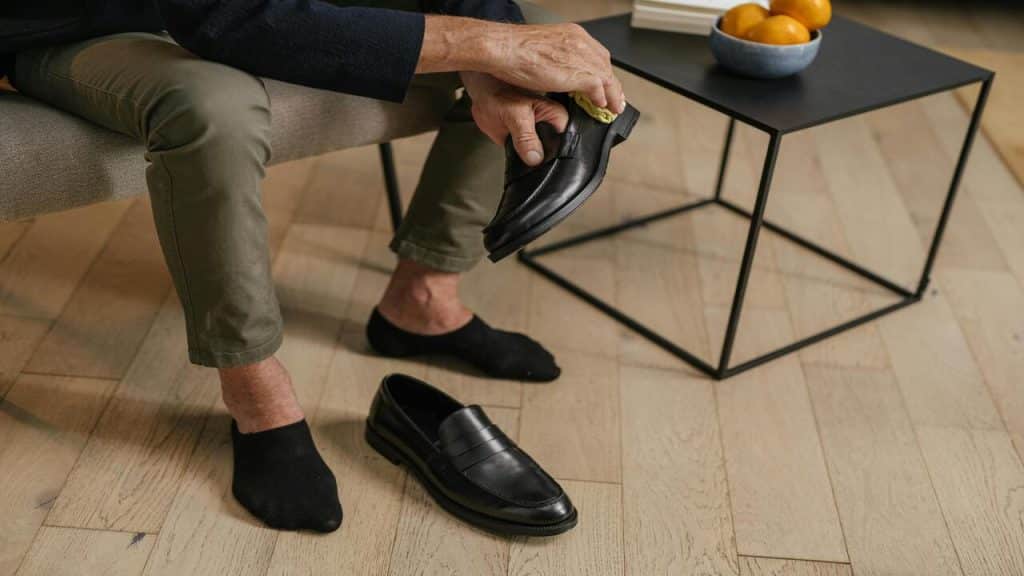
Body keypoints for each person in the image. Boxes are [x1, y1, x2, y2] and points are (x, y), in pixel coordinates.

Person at [0, 0, 625, 532]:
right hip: (84, 21)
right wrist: (489, 45)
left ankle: (424, 301)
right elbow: (223, 16)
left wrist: (496, 61)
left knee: (527, 42)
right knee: (215, 105)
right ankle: (255, 393)